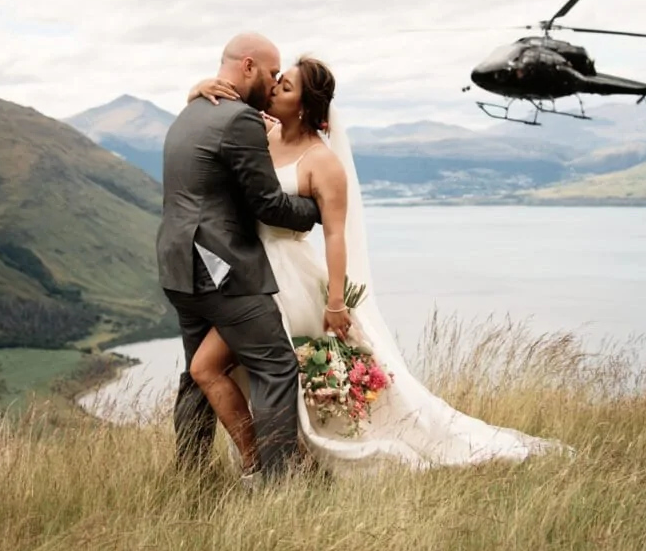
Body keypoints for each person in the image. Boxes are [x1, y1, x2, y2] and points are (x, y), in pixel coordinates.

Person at [185, 56, 573, 478]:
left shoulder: (322, 162)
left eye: (287, 87)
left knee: (272, 374)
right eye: (278, 82)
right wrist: (197, 91)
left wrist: (335, 301)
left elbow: (335, 234)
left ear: (305, 105)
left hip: (287, 278)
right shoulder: (263, 133)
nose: (275, 88)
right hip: (250, 270)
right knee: (239, 370)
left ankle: (284, 467)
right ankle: (272, 463)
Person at [156, 32, 322, 484]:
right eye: (270, 73)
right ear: (247, 66)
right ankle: (276, 482)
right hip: (221, 268)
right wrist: (315, 208)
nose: (272, 84)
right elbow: (268, 203)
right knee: (275, 366)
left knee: (198, 374)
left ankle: (191, 474)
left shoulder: (190, 112)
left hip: (176, 265)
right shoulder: (239, 120)